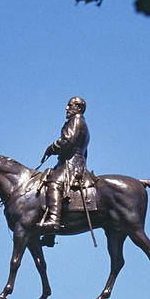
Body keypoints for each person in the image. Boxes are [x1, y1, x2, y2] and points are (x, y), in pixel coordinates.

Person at [40, 96, 90, 228]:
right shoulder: (75, 121)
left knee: (54, 182)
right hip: (66, 161)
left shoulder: (77, 120)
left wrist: (51, 148)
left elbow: (68, 140)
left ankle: (54, 219)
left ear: (79, 108)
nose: (67, 108)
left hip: (72, 162)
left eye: (70, 105)